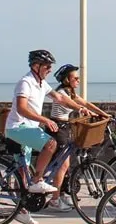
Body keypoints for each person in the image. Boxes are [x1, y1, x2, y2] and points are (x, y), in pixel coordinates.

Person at [5, 50, 110, 224]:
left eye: (50, 66)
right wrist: (44, 119)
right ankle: (38, 181)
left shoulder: (41, 83)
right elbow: (22, 109)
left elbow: (60, 97)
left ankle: (21, 210)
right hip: (18, 128)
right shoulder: (26, 83)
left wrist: (79, 108)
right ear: (36, 66)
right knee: (50, 144)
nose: (49, 69)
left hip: (29, 128)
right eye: (46, 66)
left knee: (22, 170)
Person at [43, 63, 89, 212]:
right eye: (75, 78)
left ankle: (61, 194)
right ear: (67, 80)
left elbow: (85, 103)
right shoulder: (62, 93)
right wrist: (82, 109)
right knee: (61, 166)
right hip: (58, 129)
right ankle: (55, 199)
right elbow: (78, 105)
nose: (78, 80)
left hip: (64, 128)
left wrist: (102, 113)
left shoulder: (71, 93)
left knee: (65, 166)